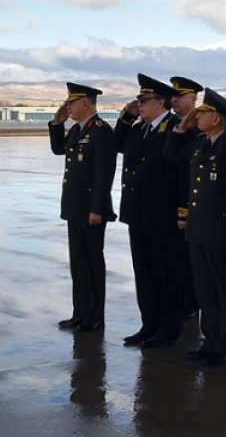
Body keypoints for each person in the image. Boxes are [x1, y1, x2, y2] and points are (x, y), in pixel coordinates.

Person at [115, 73, 184, 348]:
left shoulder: (176, 127)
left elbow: (181, 172)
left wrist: (182, 211)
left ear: (162, 102)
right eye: (139, 100)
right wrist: (125, 118)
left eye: (144, 100)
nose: (139, 104)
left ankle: (168, 329)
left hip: (163, 213)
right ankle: (149, 324)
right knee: (144, 272)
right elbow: (116, 146)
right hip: (138, 212)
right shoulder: (138, 128)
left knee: (167, 272)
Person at [165, 88, 226, 366]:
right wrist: (180, 128)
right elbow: (171, 155)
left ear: (217, 119)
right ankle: (210, 342)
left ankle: (222, 345)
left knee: (220, 289)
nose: (197, 118)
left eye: (203, 114)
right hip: (199, 230)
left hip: (219, 231)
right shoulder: (202, 143)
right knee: (205, 291)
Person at [48, 83, 116, 332]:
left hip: (91, 210)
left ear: (85, 104)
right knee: (78, 262)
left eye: (71, 103)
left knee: (92, 263)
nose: (68, 107)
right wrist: (56, 124)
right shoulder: (78, 129)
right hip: (75, 207)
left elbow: (103, 173)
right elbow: (58, 149)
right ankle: (80, 313)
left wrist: (97, 208)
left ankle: (96, 316)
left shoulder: (100, 130)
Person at [169, 76, 204, 319]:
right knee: (178, 261)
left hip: (196, 209)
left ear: (193, 99)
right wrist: (180, 130)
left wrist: (185, 210)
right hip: (173, 205)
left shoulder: (201, 131)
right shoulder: (176, 126)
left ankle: (192, 305)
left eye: (179, 97)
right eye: (173, 97)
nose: (174, 101)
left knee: (195, 266)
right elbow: (169, 157)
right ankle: (184, 303)